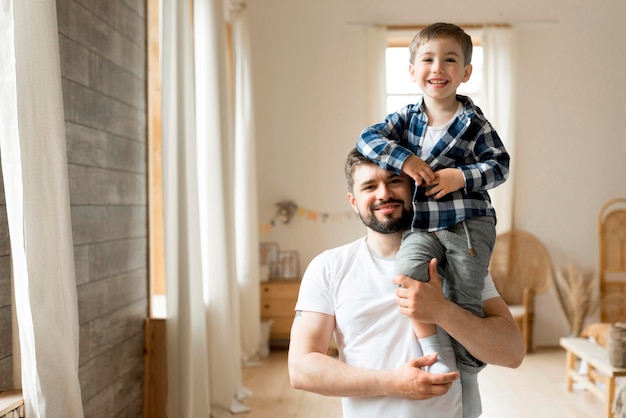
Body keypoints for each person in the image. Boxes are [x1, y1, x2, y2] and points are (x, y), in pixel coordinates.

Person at [288, 148, 524, 418]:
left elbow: (512, 353)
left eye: (394, 181)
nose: (384, 194)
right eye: (369, 186)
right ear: (353, 201)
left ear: (414, 187)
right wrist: (394, 383)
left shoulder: (458, 257)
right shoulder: (328, 268)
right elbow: (301, 368)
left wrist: (442, 311)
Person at [356, 22, 510, 414]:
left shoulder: (474, 123)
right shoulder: (406, 121)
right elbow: (367, 138)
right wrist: (404, 159)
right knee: (407, 276)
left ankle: (468, 370)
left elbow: (500, 165)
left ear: (465, 73)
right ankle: (435, 352)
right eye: (427, 59)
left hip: (467, 223)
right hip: (424, 225)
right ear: (412, 71)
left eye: (449, 60)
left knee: (461, 295)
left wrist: (461, 176)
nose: (437, 67)